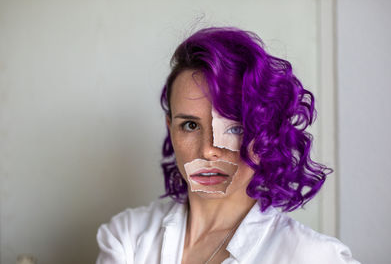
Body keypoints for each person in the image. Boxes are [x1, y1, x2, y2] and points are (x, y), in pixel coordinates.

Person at [96, 27, 360, 264]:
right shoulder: (128, 237)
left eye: (234, 127)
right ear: (170, 128)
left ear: (264, 132)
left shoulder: (311, 256)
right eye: (190, 125)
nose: (208, 150)